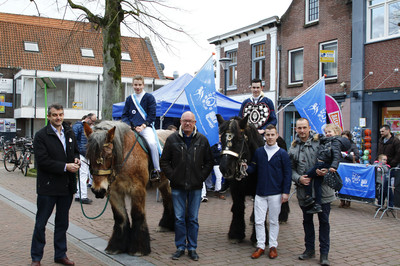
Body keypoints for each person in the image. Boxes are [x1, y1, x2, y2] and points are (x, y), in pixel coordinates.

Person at [30, 104, 80, 266]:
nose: (58, 117)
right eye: (54, 115)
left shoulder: (69, 132)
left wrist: (76, 159)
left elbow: (75, 151)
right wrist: (66, 166)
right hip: (48, 187)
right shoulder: (41, 136)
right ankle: (36, 258)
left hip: (66, 186)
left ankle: (60, 254)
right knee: (41, 223)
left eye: (60, 114)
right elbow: (42, 162)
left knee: (62, 223)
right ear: (48, 116)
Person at [160, 111, 213, 261]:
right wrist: (173, 176)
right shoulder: (172, 139)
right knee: (179, 218)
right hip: (178, 186)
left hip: (195, 186)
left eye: (190, 121)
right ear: (180, 123)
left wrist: (201, 177)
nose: (187, 123)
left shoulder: (202, 140)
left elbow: (209, 161)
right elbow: (164, 161)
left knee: (193, 218)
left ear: (195, 123)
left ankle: (192, 248)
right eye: (184, 121)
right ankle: (180, 247)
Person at [289, 118, 334, 266]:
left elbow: (333, 158)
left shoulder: (320, 142)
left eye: (304, 128)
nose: (302, 131)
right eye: (299, 128)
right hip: (305, 192)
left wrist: (326, 170)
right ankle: (309, 250)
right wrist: (298, 178)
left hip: (324, 191)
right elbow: (290, 169)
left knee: (324, 222)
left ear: (309, 128)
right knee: (307, 221)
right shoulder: (293, 148)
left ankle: (324, 254)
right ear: (296, 129)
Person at [244, 125, 291, 260]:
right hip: (260, 193)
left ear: (277, 136)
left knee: (274, 221)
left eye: (272, 135)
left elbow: (287, 174)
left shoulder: (282, 154)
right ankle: (260, 246)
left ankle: (272, 246)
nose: (270, 137)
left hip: (276, 193)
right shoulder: (259, 152)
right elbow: (253, 169)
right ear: (264, 136)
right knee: (259, 221)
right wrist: (246, 167)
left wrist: (285, 192)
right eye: (267, 135)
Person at [121, 75, 161, 181]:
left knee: (152, 144)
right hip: (131, 128)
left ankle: (156, 170)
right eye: (135, 85)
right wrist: (130, 126)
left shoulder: (149, 98)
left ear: (143, 85)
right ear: (132, 85)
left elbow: (152, 115)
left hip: (145, 127)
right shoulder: (130, 99)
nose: (137, 87)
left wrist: (143, 126)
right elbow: (124, 115)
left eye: (139, 85)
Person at [303, 124, 346, 214]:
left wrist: (333, 166)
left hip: (322, 164)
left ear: (336, 132)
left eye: (330, 132)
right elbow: (322, 139)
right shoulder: (327, 141)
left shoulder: (335, 142)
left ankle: (308, 196)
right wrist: (320, 136)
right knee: (317, 185)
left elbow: (336, 155)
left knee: (307, 176)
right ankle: (318, 204)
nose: (327, 134)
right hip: (321, 163)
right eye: (326, 132)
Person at [72, 113, 97, 204]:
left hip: (84, 153)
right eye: (92, 121)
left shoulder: (80, 126)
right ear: (88, 118)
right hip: (81, 154)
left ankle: (79, 195)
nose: (93, 123)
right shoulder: (79, 126)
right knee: (83, 175)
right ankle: (83, 196)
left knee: (83, 175)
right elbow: (73, 140)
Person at [339, 130, 360, 208]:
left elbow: (357, 156)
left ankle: (348, 201)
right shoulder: (339, 144)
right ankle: (341, 200)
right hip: (340, 167)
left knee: (348, 183)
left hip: (348, 167)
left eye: (345, 137)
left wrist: (347, 155)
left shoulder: (352, 145)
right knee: (340, 183)